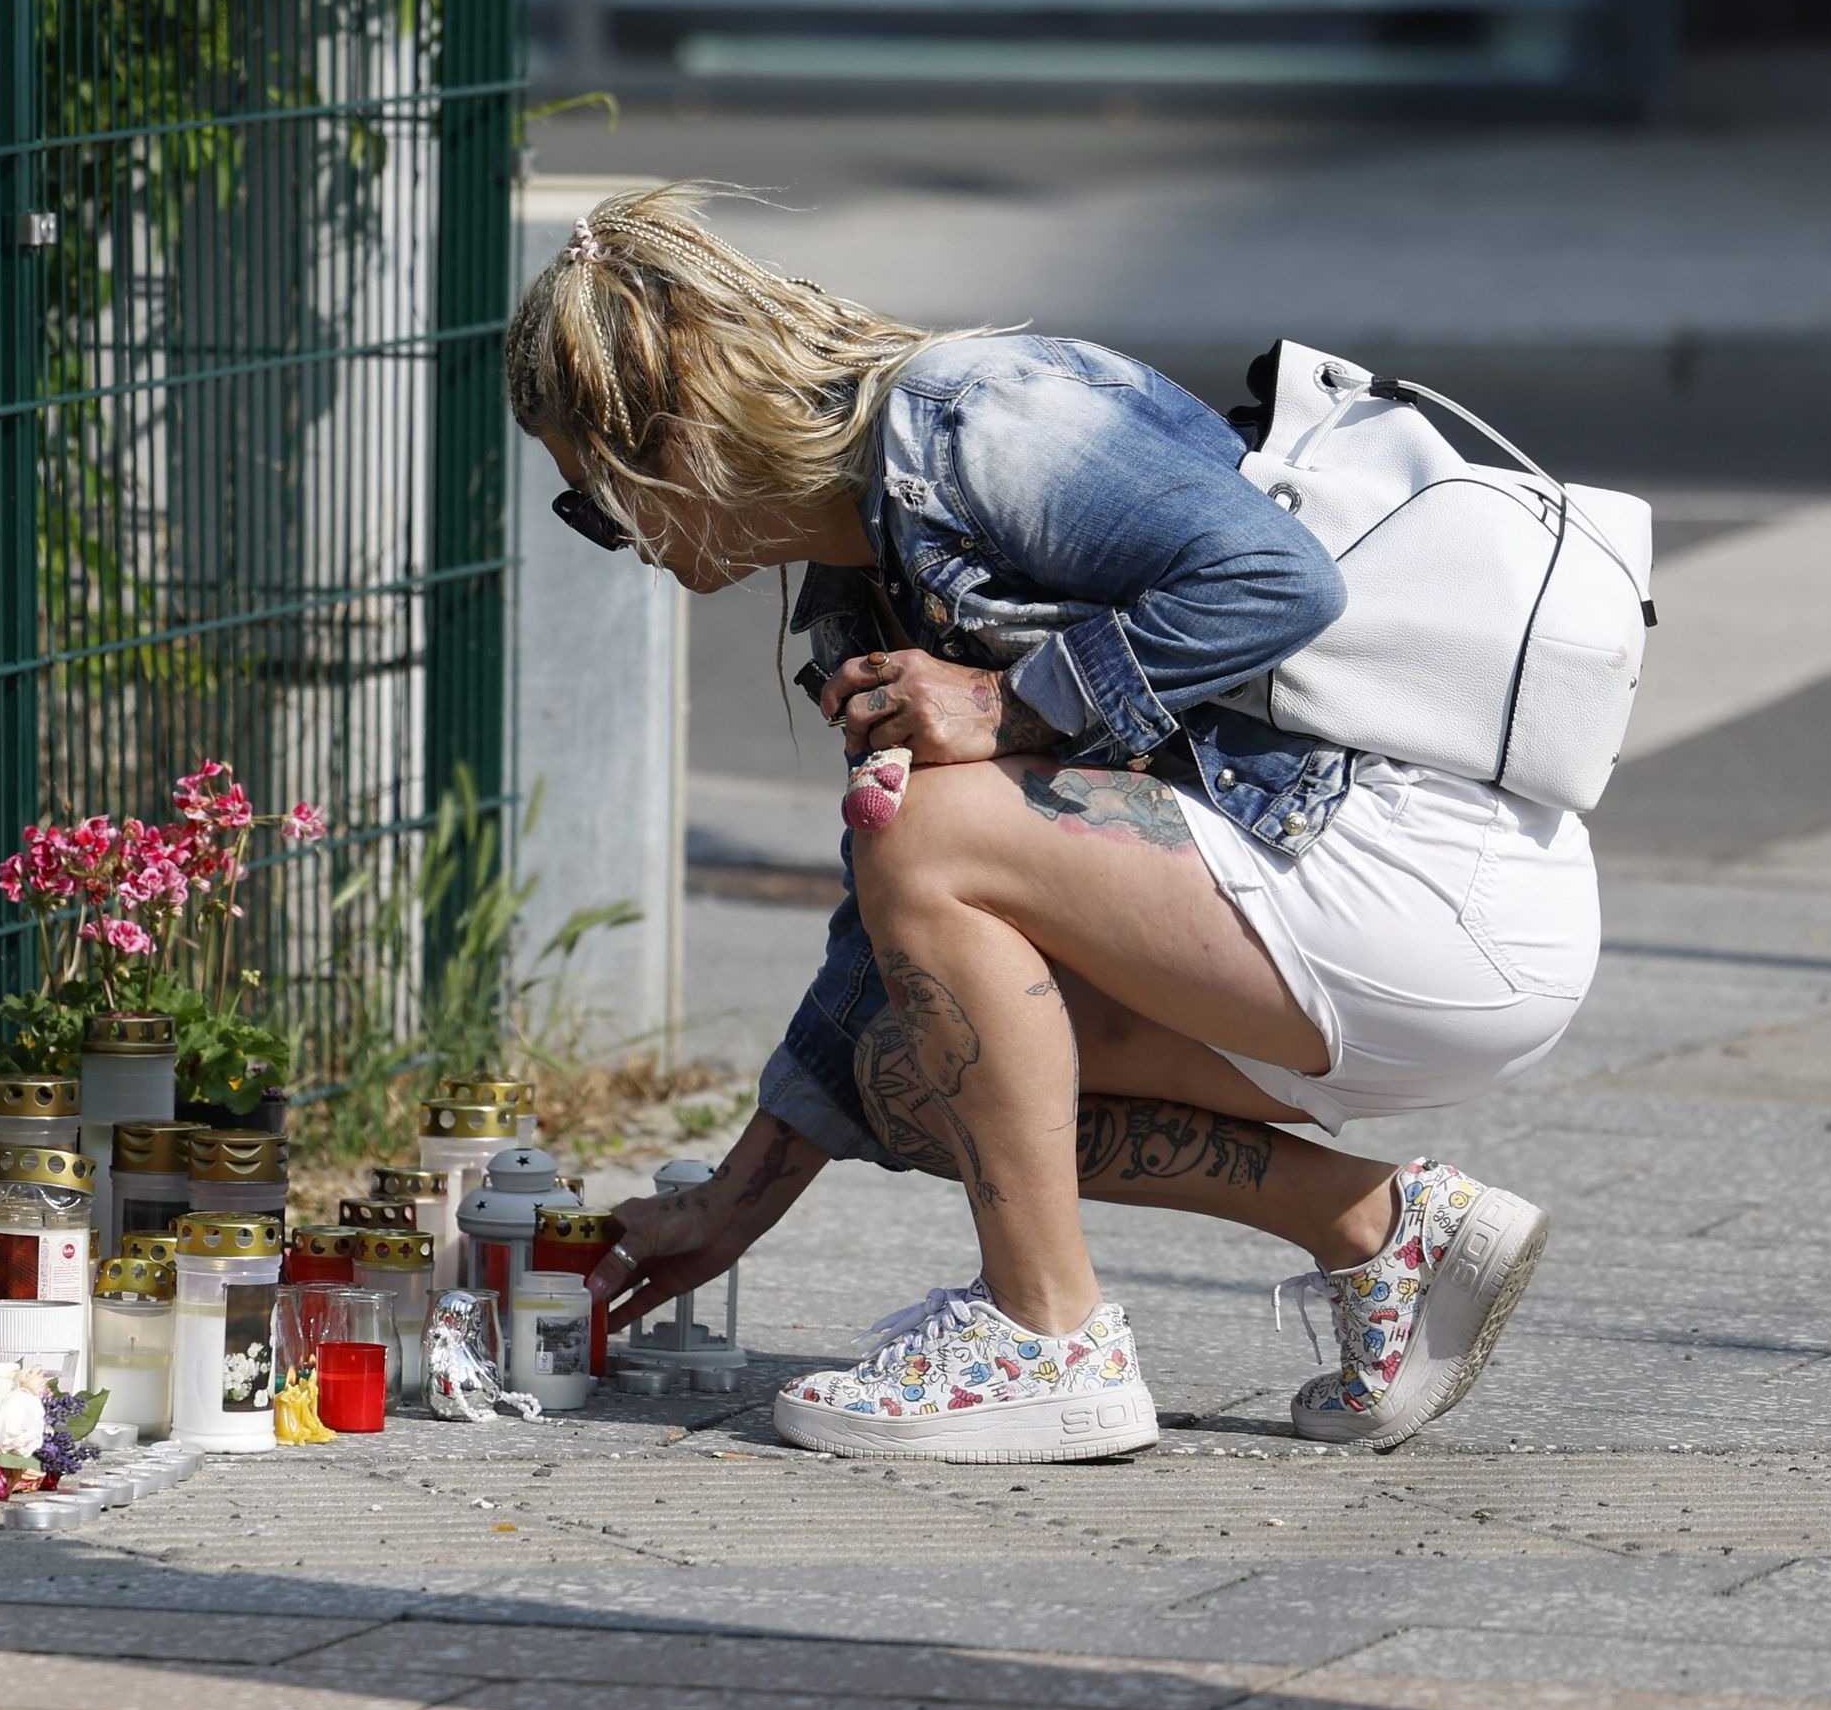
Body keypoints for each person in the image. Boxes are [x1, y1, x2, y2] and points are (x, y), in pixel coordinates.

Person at [512, 185, 1585, 1460]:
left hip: (1417, 886)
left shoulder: (975, 416)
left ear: (676, 444)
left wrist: (1010, 700)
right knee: (905, 1073)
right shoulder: (861, 571)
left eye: (598, 502)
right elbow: (898, 939)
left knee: (927, 831)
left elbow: (1278, 579)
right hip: (1300, 926)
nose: (616, 543)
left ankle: (1045, 1338)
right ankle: (1384, 1234)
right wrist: (733, 1204)